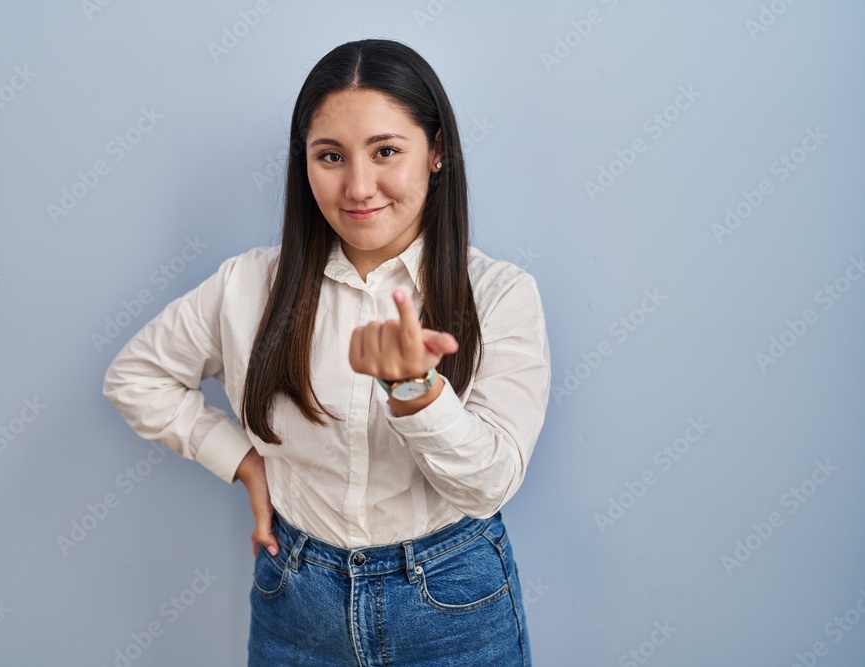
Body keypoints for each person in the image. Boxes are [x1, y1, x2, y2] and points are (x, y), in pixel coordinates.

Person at [103, 38, 550, 666]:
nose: (358, 186)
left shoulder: (502, 295)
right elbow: (136, 378)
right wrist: (243, 462)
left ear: (437, 152)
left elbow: (489, 487)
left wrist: (415, 393)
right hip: (297, 596)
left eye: (386, 151)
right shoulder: (249, 285)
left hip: (452, 601)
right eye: (331, 156)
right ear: (303, 162)